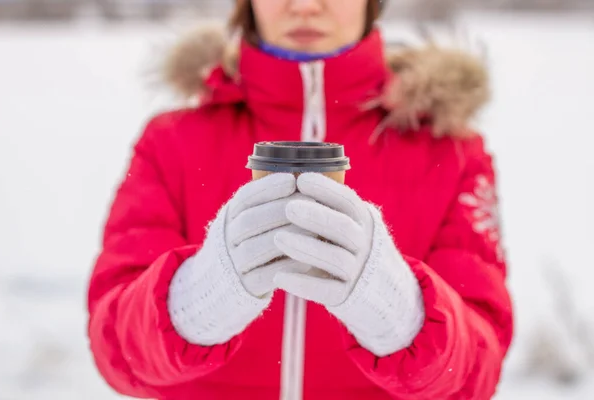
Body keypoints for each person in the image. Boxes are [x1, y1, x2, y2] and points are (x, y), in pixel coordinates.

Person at [87, 0, 514, 399]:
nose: (306, 5)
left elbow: (480, 368)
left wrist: (401, 313)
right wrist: (194, 301)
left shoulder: (450, 151)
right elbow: (115, 352)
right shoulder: (171, 142)